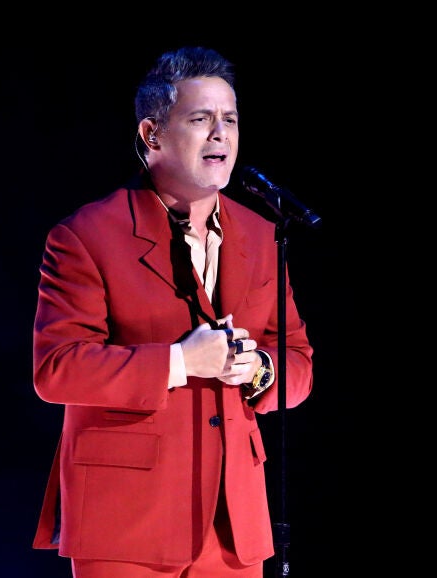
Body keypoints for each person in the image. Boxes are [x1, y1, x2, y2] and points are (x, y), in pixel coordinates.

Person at [29, 46, 315, 577]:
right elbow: (57, 368)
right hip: (126, 520)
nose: (220, 134)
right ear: (152, 134)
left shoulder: (262, 235)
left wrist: (259, 369)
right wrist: (180, 362)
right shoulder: (87, 236)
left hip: (233, 525)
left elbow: (298, 362)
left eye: (230, 119)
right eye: (201, 119)